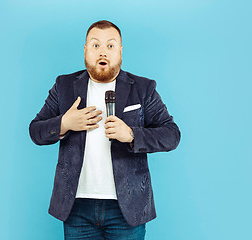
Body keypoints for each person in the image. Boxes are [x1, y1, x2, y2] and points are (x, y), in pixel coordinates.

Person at [29, 20, 181, 240]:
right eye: (96, 45)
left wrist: (131, 134)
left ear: (120, 51)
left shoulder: (143, 88)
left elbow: (172, 135)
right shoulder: (64, 86)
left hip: (127, 208)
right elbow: (36, 131)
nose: (103, 52)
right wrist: (64, 123)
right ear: (85, 50)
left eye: (110, 46)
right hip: (76, 207)